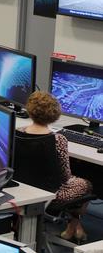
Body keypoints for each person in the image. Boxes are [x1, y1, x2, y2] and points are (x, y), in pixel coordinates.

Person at [18, 91, 93, 241]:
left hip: (21, 188)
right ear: (55, 114)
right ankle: (74, 225)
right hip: (50, 193)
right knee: (86, 184)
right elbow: (65, 177)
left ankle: (74, 227)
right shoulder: (58, 139)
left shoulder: (17, 132)